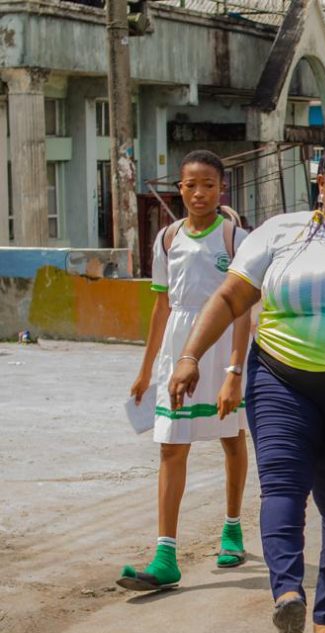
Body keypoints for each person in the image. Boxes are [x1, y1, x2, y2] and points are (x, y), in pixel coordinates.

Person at [168, 130, 325, 633]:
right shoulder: (280, 232)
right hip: (281, 381)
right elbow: (230, 298)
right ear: (320, 182)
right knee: (283, 486)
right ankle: (288, 592)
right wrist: (189, 357)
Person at [119, 150, 251, 593]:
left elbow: (243, 310)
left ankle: (232, 527)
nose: (199, 193)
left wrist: (235, 369)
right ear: (180, 189)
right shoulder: (167, 238)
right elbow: (162, 307)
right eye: (191, 185)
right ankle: (165, 555)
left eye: (208, 185)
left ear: (221, 189)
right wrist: (146, 370)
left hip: (221, 348)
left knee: (231, 437)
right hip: (179, 352)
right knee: (171, 447)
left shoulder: (235, 239)